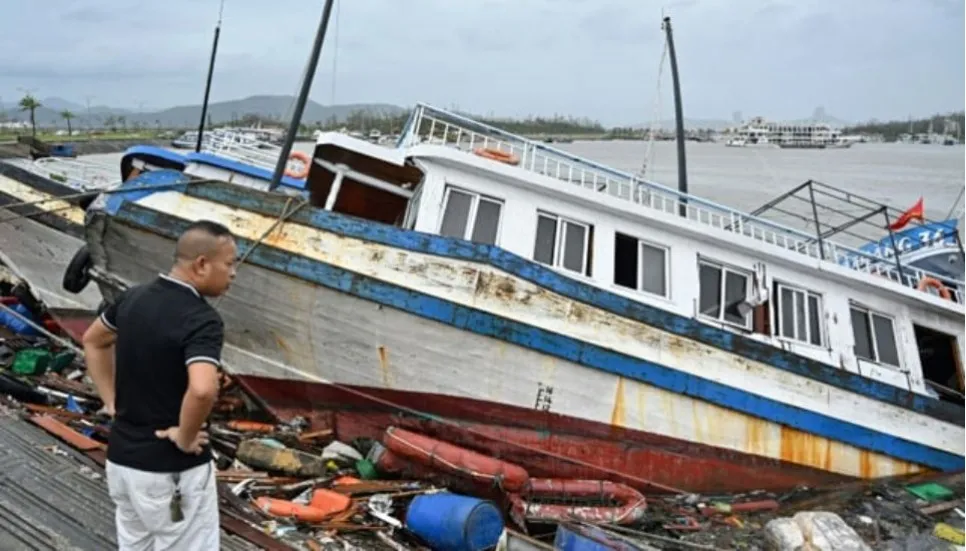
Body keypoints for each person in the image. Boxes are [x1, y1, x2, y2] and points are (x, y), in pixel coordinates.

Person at [82, 219, 237, 550]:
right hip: (171, 472)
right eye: (229, 264)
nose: (233, 273)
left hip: (122, 461)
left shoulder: (133, 297)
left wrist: (111, 402)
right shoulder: (202, 319)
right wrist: (184, 437)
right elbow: (202, 388)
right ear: (202, 264)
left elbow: (93, 340)